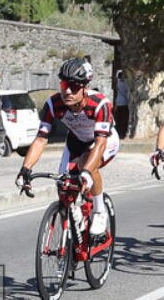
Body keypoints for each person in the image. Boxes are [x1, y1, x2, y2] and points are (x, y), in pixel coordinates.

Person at [15, 58, 118, 237]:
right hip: (76, 142)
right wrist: (25, 169)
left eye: (74, 87)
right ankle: (73, 224)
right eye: (64, 85)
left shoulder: (100, 104)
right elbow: (41, 139)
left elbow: (100, 143)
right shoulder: (53, 104)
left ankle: (99, 211)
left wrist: (86, 171)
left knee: (86, 165)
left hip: (105, 141)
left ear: (86, 87)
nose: (67, 91)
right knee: (63, 185)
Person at [114, 70, 129, 138]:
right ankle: (122, 133)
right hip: (124, 102)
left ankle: (119, 132)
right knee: (123, 119)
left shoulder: (118, 83)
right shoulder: (123, 83)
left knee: (119, 119)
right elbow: (125, 93)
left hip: (119, 102)